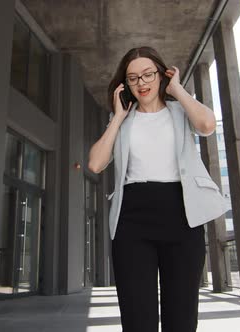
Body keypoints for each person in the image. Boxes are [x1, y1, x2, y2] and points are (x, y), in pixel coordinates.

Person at [88, 46, 228, 332]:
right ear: (124, 84)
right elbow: (95, 164)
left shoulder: (180, 111)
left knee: (182, 317)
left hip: (182, 216)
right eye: (132, 78)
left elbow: (207, 125)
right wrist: (116, 117)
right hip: (133, 221)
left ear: (161, 75)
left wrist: (178, 90)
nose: (141, 82)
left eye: (147, 74)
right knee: (138, 319)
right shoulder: (123, 122)